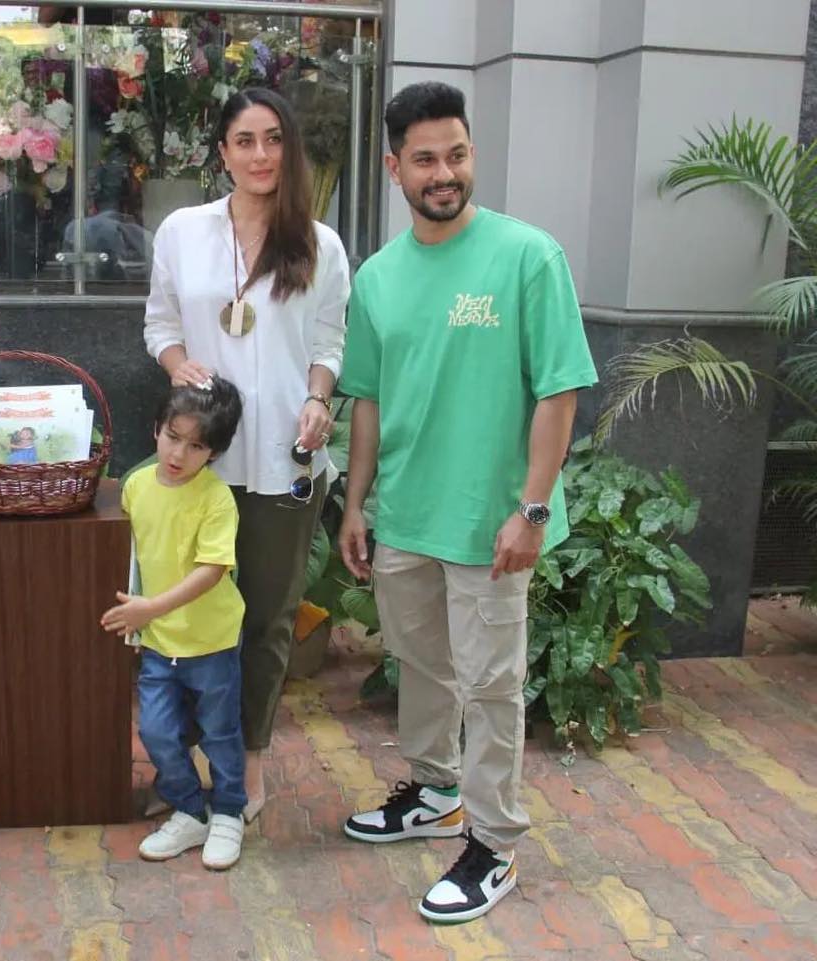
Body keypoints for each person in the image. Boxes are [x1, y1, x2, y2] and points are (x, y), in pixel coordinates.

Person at [337, 81, 597, 924]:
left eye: (456, 154)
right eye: (425, 159)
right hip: (407, 515)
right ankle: (435, 792)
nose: (443, 173)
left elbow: (559, 391)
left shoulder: (528, 257)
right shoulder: (378, 277)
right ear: (395, 169)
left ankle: (494, 842)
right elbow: (367, 400)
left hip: (492, 524)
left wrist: (533, 509)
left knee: (490, 685)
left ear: (471, 153)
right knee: (420, 666)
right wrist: (356, 504)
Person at [142, 87, 349, 822]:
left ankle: (247, 762)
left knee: (264, 619)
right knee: (186, 614)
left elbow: (328, 342)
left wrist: (319, 398)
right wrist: (179, 368)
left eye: (274, 139)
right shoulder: (182, 231)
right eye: (244, 141)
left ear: (289, 149)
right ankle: (183, 762)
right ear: (223, 153)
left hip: (283, 463)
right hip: (199, 460)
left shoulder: (320, 244)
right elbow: (160, 324)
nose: (261, 155)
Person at [103, 378, 247, 870]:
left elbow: (212, 571)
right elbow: (126, 556)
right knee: (158, 732)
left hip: (212, 641)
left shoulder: (216, 499)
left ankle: (229, 812)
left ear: (215, 452)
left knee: (220, 733)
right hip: (160, 644)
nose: (179, 453)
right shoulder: (136, 487)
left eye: (196, 446)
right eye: (173, 436)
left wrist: (150, 608)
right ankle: (190, 810)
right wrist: (140, 620)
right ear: (156, 429)